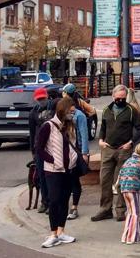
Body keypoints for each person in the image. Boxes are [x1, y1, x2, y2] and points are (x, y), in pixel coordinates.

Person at [91, 85, 140, 222]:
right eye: (118, 98)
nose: (120, 100)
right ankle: (105, 209)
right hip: (108, 148)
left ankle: (120, 210)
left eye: (123, 98)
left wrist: (131, 142)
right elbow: (103, 127)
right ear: (113, 96)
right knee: (105, 180)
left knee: (121, 181)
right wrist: (101, 140)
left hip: (124, 149)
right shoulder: (106, 110)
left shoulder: (131, 111)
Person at [34, 97, 79, 248]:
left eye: (73, 112)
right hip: (53, 171)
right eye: (70, 112)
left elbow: (73, 144)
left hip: (69, 169)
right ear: (63, 110)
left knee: (65, 200)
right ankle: (53, 233)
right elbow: (39, 148)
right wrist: (52, 160)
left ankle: (61, 231)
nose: (72, 115)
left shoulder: (70, 126)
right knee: (54, 200)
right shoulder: (48, 126)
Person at [62, 85, 90, 220]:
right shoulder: (61, 114)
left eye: (64, 93)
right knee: (65, 180)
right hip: (63, 152)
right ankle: (63, 205)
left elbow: (84, 135)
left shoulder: (80, 115)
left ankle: (74, 207)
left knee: (74, 180)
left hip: (76, 151)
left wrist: (85, 153)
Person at [29, 87, 56, 214]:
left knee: (52, 176)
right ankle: (44, 201)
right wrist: (33, 151)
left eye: (43, 98)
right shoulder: (33, 112)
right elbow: (32, 132)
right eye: (38, 99)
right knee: (41, 176)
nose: (41, 101)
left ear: (47, 97)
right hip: (39, 147)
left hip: (53, 146)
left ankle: (52, 202)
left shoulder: (54, 107)